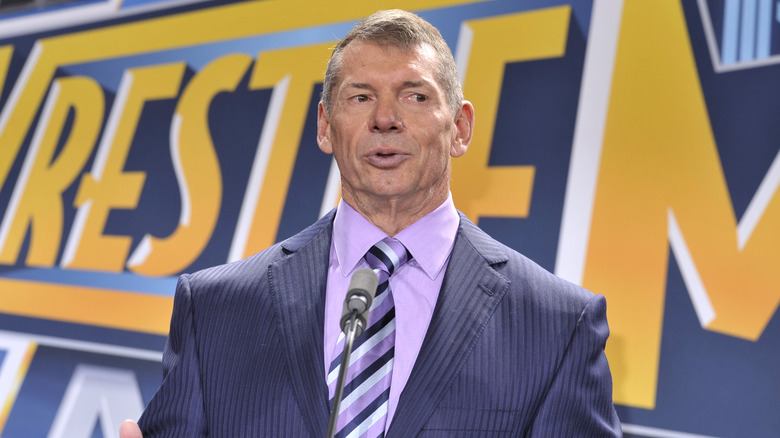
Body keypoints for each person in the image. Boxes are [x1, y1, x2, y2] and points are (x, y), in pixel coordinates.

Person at [121, 9, 621, 437]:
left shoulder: (557, 328)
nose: (385, 118)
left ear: (460, 127)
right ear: (325, 126)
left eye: (415, 96)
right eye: (360, 97)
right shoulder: (214, 310)